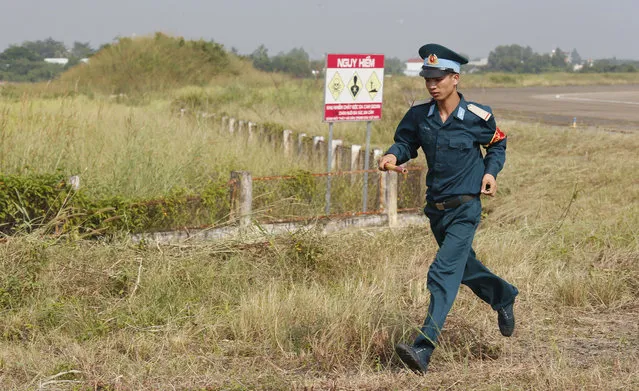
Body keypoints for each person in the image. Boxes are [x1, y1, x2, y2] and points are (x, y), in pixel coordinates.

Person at [378, 43, 519, 374]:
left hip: (466, 208)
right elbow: (405, 143)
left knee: (442, 273)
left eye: (438, 78)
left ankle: (423, 347)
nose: (431, 84)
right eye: (428, 78)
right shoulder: (418, 116)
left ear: (455, 78)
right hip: (436, 211)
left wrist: (490, 172)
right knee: (463, 269)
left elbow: (497, 143)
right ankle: (503, 296)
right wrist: (391, 156)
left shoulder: (477, 117)